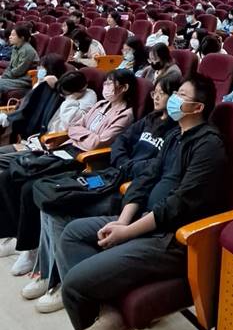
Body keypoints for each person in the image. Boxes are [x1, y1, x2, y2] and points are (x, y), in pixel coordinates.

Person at [53, 74, 228, 330]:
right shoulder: (176, 135)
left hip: (171, 239)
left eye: (180, 94)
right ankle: (110, 313)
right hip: (141, 221)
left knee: (74, 286)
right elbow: (147, 178)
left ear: (198, 107)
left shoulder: (209, 145)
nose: (173, 99)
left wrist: (129, 232)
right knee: (73, 234)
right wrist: (122, 221)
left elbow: (178, 205)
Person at [28, 74, 178, 307]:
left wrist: (128, 167)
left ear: (175, 97)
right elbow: (120, 143)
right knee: (51, 200)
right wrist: (124, 164)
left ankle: (64, 285)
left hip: (129, 192)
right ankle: (46, 274)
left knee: (59, 212)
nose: (156, 97)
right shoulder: (150, 119)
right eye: (154, 92)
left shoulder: (176, 133)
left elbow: (154, 168)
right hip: (113, 175)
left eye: (162, 93)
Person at [0, 70, 136, 277]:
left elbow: (98, 143)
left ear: (124, 88)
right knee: (7, 176)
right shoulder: (100, 105)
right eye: (106, 82)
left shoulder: (125, 115)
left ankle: (30, 249)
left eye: (111, 83)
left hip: (83, 160)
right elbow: (74, 126)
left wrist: (82, 135)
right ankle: (15, 233)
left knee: (30, 188)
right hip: (67, 149)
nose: (106, 87)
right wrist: (84, 134)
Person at [0, 25, 39, 96]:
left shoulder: (27, 50)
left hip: (24, 80)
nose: (10, 37)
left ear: (22, 38)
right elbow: (10, 66)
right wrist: (3, 76)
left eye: (13, 35)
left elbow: (19, 71)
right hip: (15, 77)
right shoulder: (15, 48)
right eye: (10, 35)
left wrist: (3, 77)